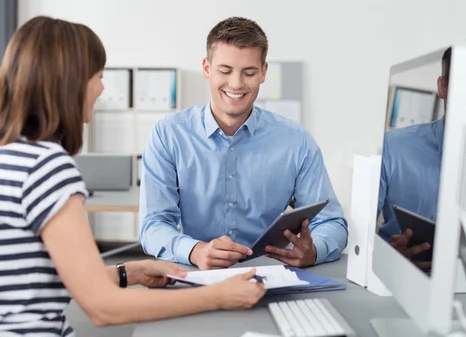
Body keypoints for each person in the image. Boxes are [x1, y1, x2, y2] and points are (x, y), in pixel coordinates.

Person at [0, 16, 266, 336]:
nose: (102, 88)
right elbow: (105, 308)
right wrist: (216, 296)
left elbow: (34, 279)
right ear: (69, 83)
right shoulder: (46, 168)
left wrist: (131, 271)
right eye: (98, 76)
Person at [139, 16, 348, 270]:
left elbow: (332, 223)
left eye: (248, 72)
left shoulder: (296, 142)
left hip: (273, 275)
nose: (236, 84)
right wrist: (195, 251)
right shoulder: (168, 136)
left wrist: (314, 251)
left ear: (263, 73)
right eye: (225, 71)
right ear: (207, 69)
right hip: (198, 276)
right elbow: (153, 225)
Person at [376, 47, 452, 270]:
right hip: (401, 276)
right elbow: (357, 234)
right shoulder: (395, 145)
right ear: (443, 86)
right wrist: (387, 253)